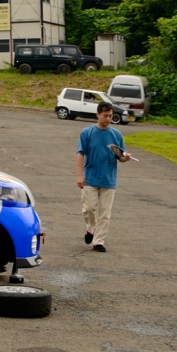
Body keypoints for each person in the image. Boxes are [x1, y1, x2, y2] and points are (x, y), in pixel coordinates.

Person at [76, 101, 131, 252]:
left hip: (109, 179)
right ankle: (90, 228)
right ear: (98, 115)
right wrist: (79, 175)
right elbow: (80, 154)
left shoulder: (116, 135)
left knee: (105, 213)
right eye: (105, 116)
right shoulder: (87, 133)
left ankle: (98, 241)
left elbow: (120, 157)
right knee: (88, 208)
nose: (108, 119)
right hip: (90, 177)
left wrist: (125, 158)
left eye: (110, 116)